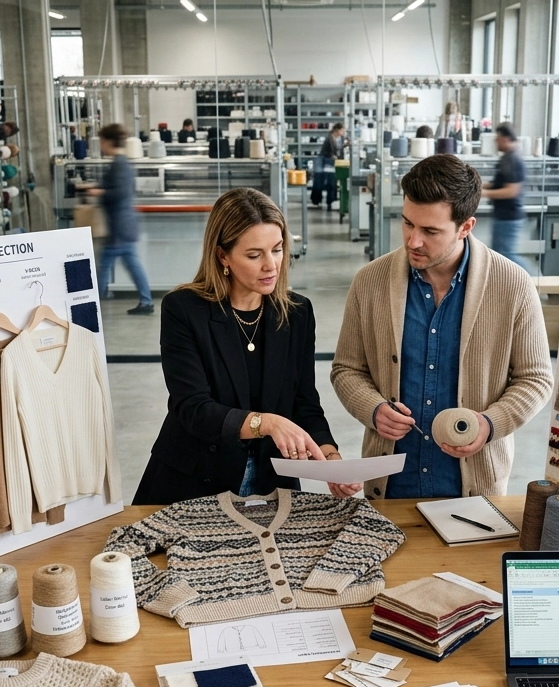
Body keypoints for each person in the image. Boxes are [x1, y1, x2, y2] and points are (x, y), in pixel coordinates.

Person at [331, 153, 553, 500]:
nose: (412, 241)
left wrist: (489, 423)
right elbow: (347, 369)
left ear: (466, 226)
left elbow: (536, 378)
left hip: (474, 488)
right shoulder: (369, 282)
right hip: (391, 484)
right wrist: (372, 409)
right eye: (407, 223)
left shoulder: (512, 285)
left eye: (430, 230)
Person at [134, 187, 361, 505]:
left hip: (273, 479)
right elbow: (193, 408)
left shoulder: (297, 312)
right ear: (222, 255)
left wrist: (331, 458)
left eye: (278, 249)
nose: (271, 265)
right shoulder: (184, 309)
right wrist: (265, 422)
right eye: (254, 255)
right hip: (194, 480)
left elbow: (304, 402)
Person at [92, 123, 154, 315]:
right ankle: (146, 301)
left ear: (109, 141)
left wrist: (98, 192)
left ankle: (93, 306)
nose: (101, 145)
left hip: (119, 226)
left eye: (102, 141)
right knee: (132, 264)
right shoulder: (121, 163)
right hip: (124, 224)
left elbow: (119, 192)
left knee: (104, 266)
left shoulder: (119, 164)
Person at [482, 123, 531, 273]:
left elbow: (512, 191)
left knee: (506, 255)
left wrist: (483, 193)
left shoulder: (513, 159)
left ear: (505, 138)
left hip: (508, 216)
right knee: (500, 254)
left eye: (497, 138)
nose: (496, 142)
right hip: (503, 215)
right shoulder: (508, 158)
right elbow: (500, 184)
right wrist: (480, 185)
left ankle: (531, 281)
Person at [310, 123, 347, 210]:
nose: (343, 132)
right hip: (324, 161)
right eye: (342, 130)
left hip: (333, 162)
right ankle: (317, 201)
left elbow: (340, 149)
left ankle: (331, 201)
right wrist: (332, 155)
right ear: (337, 130)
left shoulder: (341, 138)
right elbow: (325, 152)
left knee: (332, 182)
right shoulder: (329, 138)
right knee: (319, 182)